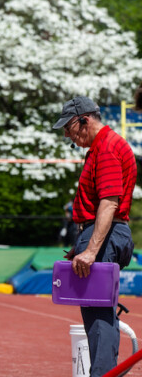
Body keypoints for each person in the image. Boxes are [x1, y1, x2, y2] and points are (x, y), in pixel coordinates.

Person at [55, 95, 135, 376]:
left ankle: (102, 374)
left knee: (99, 317)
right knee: (97, 314)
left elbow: (109, 203)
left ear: (84, 120)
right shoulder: (103, 147)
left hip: (107, 234)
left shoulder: (107, 148)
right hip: (105, 234)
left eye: (70, 130)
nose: (70, 137)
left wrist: (90, 250)